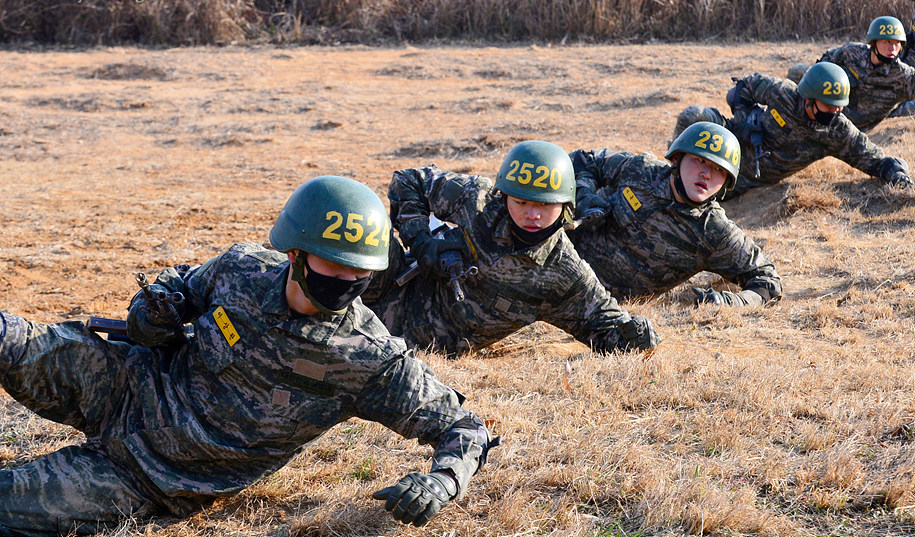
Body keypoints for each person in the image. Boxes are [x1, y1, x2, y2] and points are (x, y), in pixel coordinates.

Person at [0, 176, 497, 536]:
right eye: (334, 265)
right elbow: (179, 284)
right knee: (10, 337)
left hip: (153, 477)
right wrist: (151, 313)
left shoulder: (368, 359)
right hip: (123, 381)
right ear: (294, 253)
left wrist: (441, 483)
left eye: (358, 273)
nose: (346, 282)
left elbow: (465, 428)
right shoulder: (241, 268)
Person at [363, 140, 660, 357]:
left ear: (565, 206)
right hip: (379, 290)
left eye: (545, 205)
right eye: (521, 202)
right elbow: (409, 180)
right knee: (365, 227)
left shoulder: (563, 273)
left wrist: (639, 336)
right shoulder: (476, 201)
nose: (532, 214)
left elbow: (606, 328)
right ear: (504, 196)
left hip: (418, 348)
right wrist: (420, 241)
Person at [568, 122, 782, 307]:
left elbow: (767, 282)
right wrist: (584, 195)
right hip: (557, 262)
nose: (706, 174)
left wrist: (730, 302)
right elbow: (584, 160)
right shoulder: (640, 171)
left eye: (719, 170)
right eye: (700, 160)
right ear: (678, 158)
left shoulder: (714, 231)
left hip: (600, 304)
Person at [673, 62, 914, 199]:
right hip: (729, 141)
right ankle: (672, 175)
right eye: (829, 106)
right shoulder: (781, 92)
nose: (835, 113)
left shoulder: (836, 131)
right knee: (695, 116)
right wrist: (746, 119)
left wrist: (898, 175)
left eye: (839, 108)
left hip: (746, 178)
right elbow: (741, 89)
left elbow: (875, 159)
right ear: (809, 99)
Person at [786, 16, 915, 129]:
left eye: (897, 43)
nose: (892, 48)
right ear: (873, 42)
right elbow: (824, 64)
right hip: (828, 111)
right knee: (798, 72)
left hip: (853, 128)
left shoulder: (904, 76)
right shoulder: (852, 52)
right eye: (887, 42)